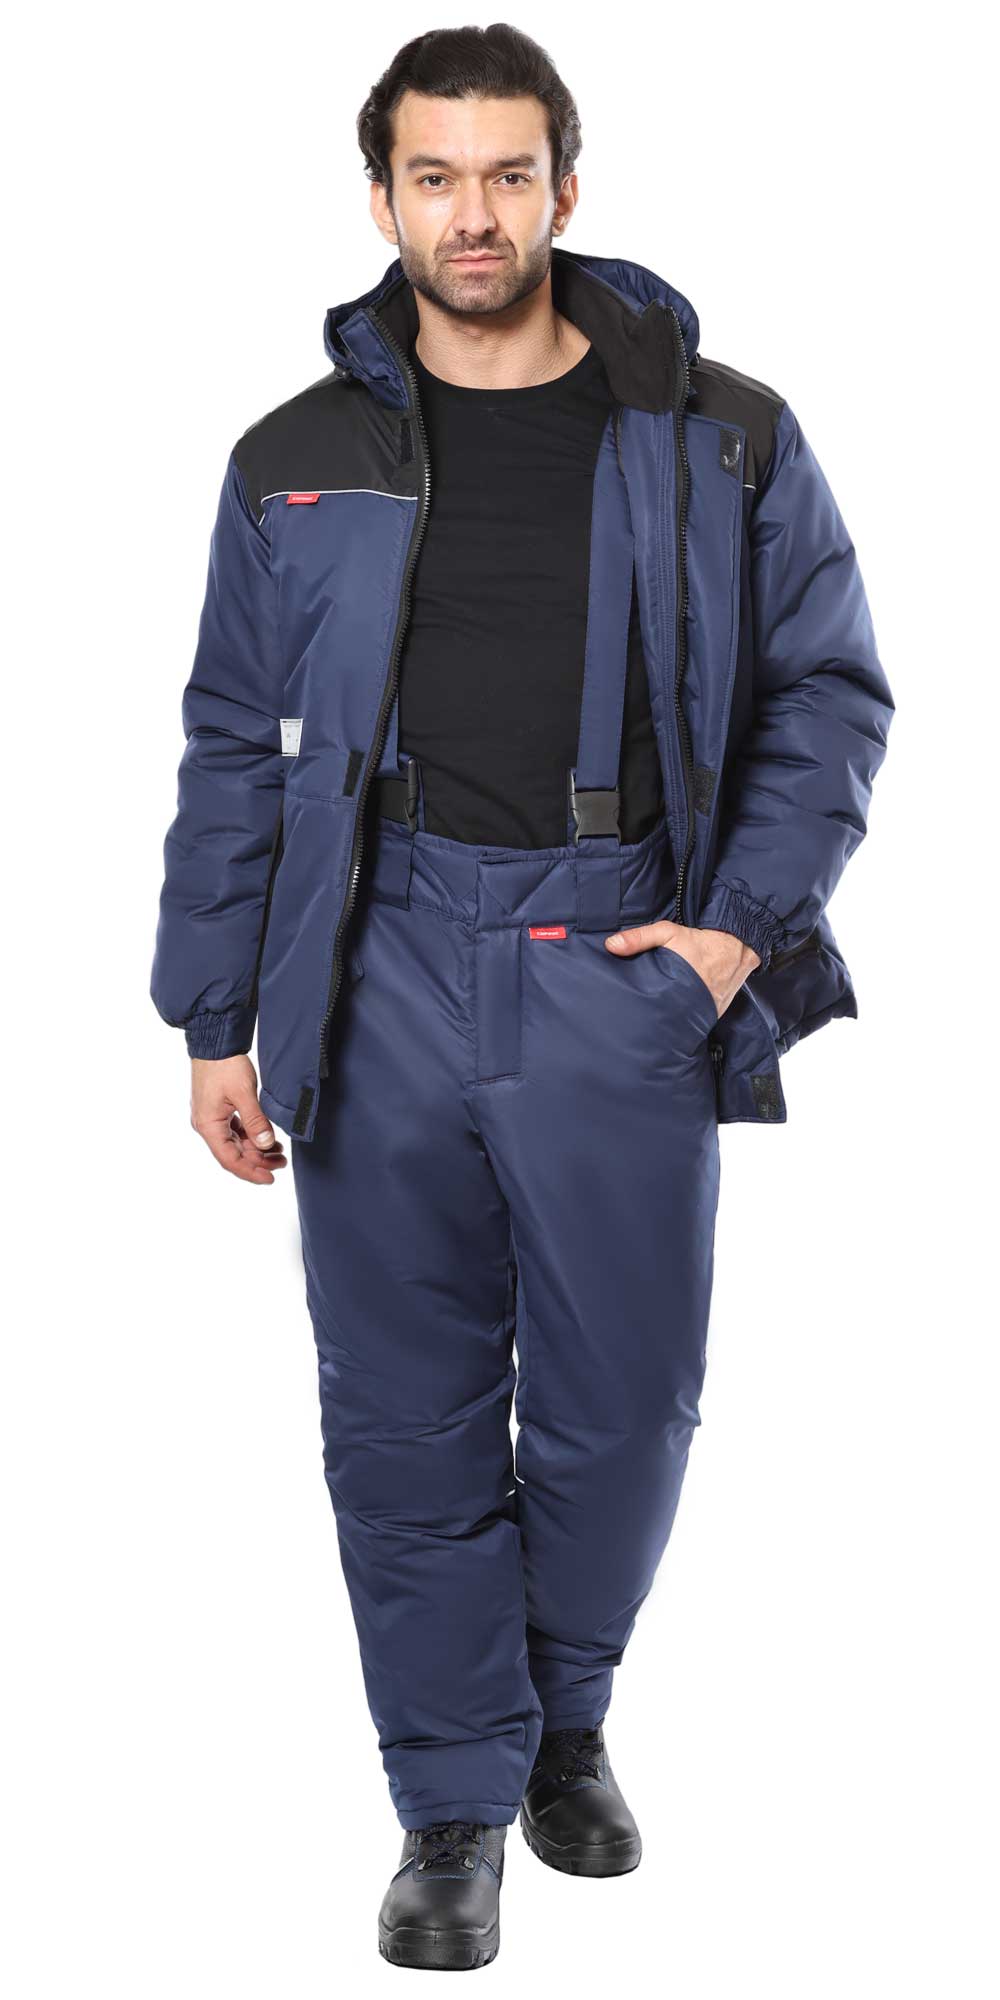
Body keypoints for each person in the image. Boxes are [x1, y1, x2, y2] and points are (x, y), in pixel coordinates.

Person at [151, 22, 893, 1973]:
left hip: (616, 951)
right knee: (399, 1414)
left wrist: (731, 932)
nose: (469, 215)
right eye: (432, 177)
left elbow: (828, 691)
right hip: (374, 956)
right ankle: (452, 1805)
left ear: (567, 183)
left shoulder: (716, 432)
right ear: (379, 197)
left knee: (622, 1402)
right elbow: (234, 745)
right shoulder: (292, 462)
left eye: (504, 174)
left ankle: (564, 1711)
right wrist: (212, 1016)